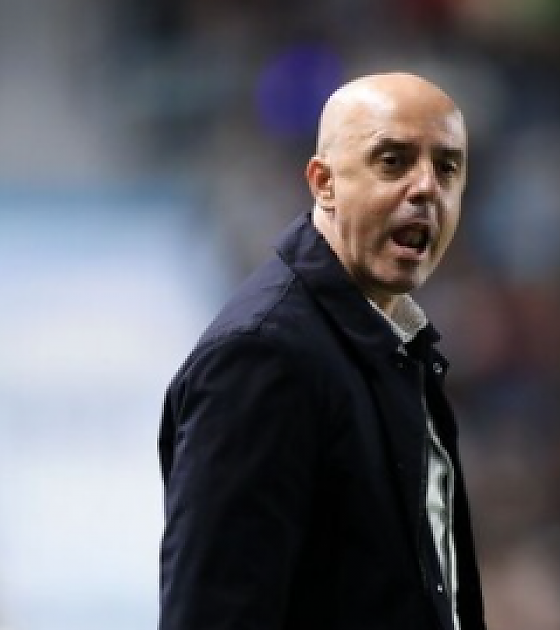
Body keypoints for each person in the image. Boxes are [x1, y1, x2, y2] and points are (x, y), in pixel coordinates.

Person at [158, 72, 486, 630]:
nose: (426, 188)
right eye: (393, 162)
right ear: (324, 183)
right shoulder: (262, 356)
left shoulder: (394, 347)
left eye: (447, 168)